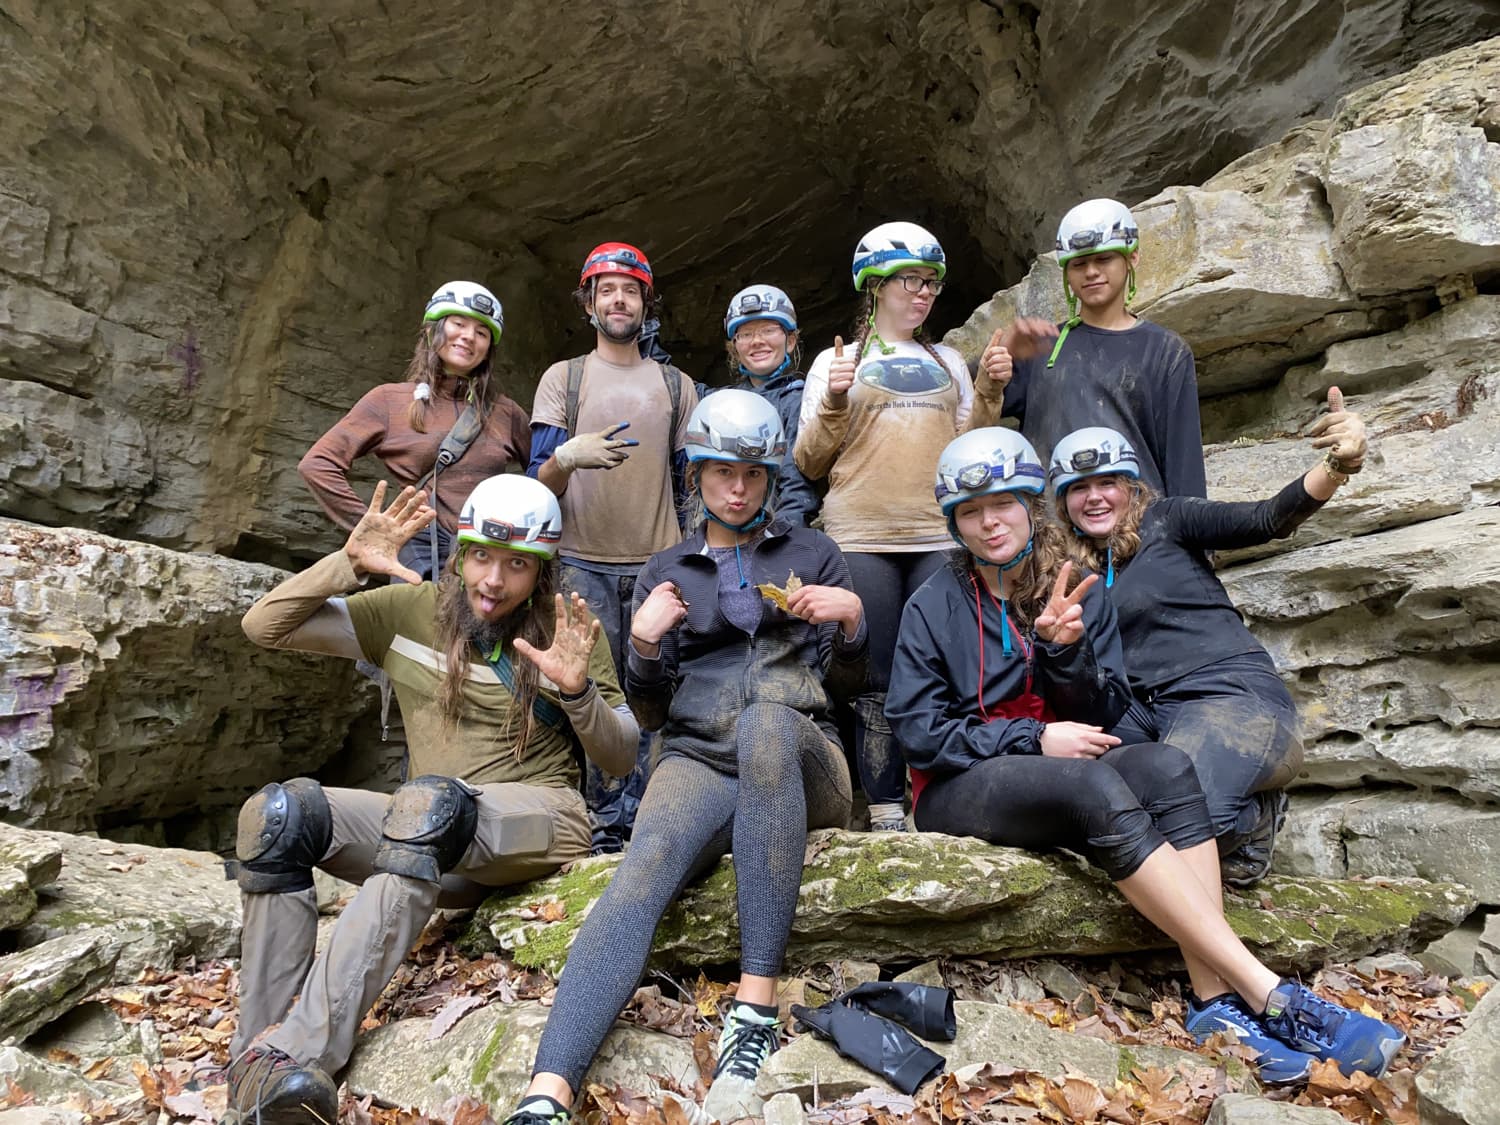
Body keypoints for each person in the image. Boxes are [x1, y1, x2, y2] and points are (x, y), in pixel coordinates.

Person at [885, 427, 1404, 1085]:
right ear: (954, 522)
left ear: (1028, 504)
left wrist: (1063, 652)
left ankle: (1214, 1003)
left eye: (1003, 503)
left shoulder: (1074, 588)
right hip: (956, 782)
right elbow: (919, 732)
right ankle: (1269, 991)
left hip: (1051, 765)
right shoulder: (932, 603)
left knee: (1165, 766)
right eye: (970, 511)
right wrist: (1031, 738)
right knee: (1093, 786)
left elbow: (1101, 711)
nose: (989, 522)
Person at [227, 476, 638, 1125]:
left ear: (543, 571)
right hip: (428, 838)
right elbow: (264, 624)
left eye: (517, 564)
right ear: (458, 553)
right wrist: (347, 563)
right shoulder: (412, 610)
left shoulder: (567, 629)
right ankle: (263, 1064)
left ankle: (303, 1048)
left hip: (540, 823)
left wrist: (578, 692)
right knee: (279, 817)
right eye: (481, 555)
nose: (494, 578)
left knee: (427, 808)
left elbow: (621, 756)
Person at [503, 390, 864, 1125]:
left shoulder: (815, 553)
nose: (737, 486)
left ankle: (753, 1013)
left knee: (767, 720)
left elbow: (848, 689)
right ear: (695, 473)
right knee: (646, 861)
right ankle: (547, 1092)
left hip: (803, 753)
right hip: (698, 754)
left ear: (769, 479)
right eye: (721, 471)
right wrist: (640, 644)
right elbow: (650, 713)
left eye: (752, 473)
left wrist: (853, 623)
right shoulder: (668, 566)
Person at [1048, 389, 1367, 886]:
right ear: (1063, 502)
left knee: (1180, 831)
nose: (1094, 496)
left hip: (1227, 696)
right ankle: (1233, 824)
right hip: (1142, 712)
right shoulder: (1070, 573)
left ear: (1131, 487)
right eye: (1078, 487)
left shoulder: (1166, 520)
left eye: (1108, 482)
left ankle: (1253, 820)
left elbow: (1265, 519)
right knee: (1088, 816)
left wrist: (1338, 465)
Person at [795, 222, 1008, 831]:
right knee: (874, 677)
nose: (923, 293)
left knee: (944, 669)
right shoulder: (837, 362)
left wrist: (989, 389)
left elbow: (971, 452)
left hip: (938, 536)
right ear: (876, 286)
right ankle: (886, 805)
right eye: (910, 281)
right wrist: (836, 400)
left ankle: (941, 795)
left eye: (932, 283)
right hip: (859, 534)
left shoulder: (947, 362)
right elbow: (809, 460)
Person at [527, 242, 700, 852]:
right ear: (589, 303)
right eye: (606, 290)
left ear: (646, 302)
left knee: (657, 689)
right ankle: (604, 826)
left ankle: (653, 818)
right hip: (580, 564)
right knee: (592, 693)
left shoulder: (678, 387)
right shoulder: (565, 379)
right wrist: (564, 457)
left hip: (658, 561)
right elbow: (535, 486)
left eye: (630, 289)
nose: (618, 299)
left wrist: (694, 559)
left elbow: (693, 485)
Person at [299, 282, 531, 580]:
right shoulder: (388, 400)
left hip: (485, 562)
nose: (468, 337)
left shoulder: (506, 413)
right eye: (458, 324)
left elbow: (542, 478)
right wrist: (372, 528)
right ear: (432, 329)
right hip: (420, 560)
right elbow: (317, 465)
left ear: (488, 349)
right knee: (413, 627)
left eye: (482, 332)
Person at [996, 198, 1206, 498]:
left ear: (1132, 258)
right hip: (1055, 535)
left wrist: (1191, 539)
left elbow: (1184, 463)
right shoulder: (1040, 347)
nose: (1091, 271)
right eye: (1079, 263)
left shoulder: (1166, 351)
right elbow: (962, 405)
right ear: (1066, 272)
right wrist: (999, 358)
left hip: (1139, 531)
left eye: (1104, 259)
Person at [718, 284, 819, 525]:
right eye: (745, 334)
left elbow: (797, 486)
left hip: (776, 535)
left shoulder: (801, 401)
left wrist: (787, 545)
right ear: (735, 347)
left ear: (791, 341)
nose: (757, 341)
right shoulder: (720, 401)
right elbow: (670, 382)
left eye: (768, 330)